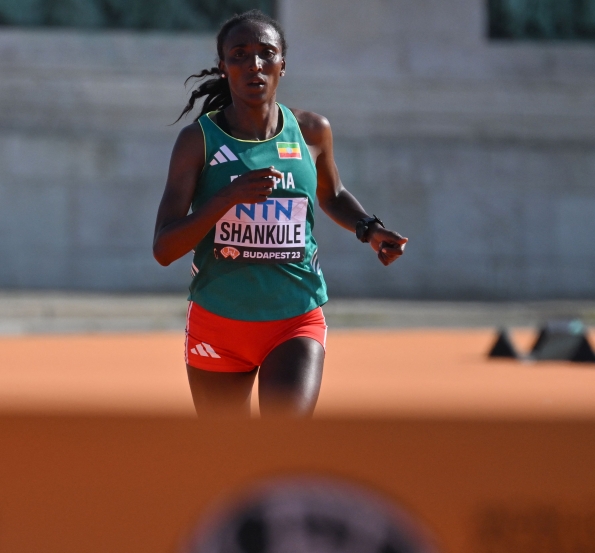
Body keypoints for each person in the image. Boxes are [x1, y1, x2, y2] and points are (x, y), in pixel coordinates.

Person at [153, 10, 407, 419]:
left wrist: (370, 229)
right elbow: (164, 248)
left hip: (295, 319)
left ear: (282, 66)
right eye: (240, 55)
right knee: (226, 459)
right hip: (219, 323)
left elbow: (333, 193)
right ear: (223, 67)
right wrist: (229, 197)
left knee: (283, 443)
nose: (254, 65)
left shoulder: (311, 131)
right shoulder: (198, 141)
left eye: (265, 54)